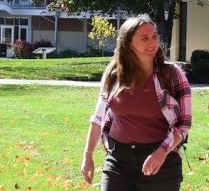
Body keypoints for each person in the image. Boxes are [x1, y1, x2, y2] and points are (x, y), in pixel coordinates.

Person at [81, 17, 192, 190]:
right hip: (118, 161)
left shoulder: (172, 75)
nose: (152, 42)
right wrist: (87, 155)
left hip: (161, 163)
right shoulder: (114, 74)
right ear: (128, 43)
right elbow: (98, 118)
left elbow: (183, 125)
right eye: (144, 38)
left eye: (154, 36)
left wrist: (162, 152)